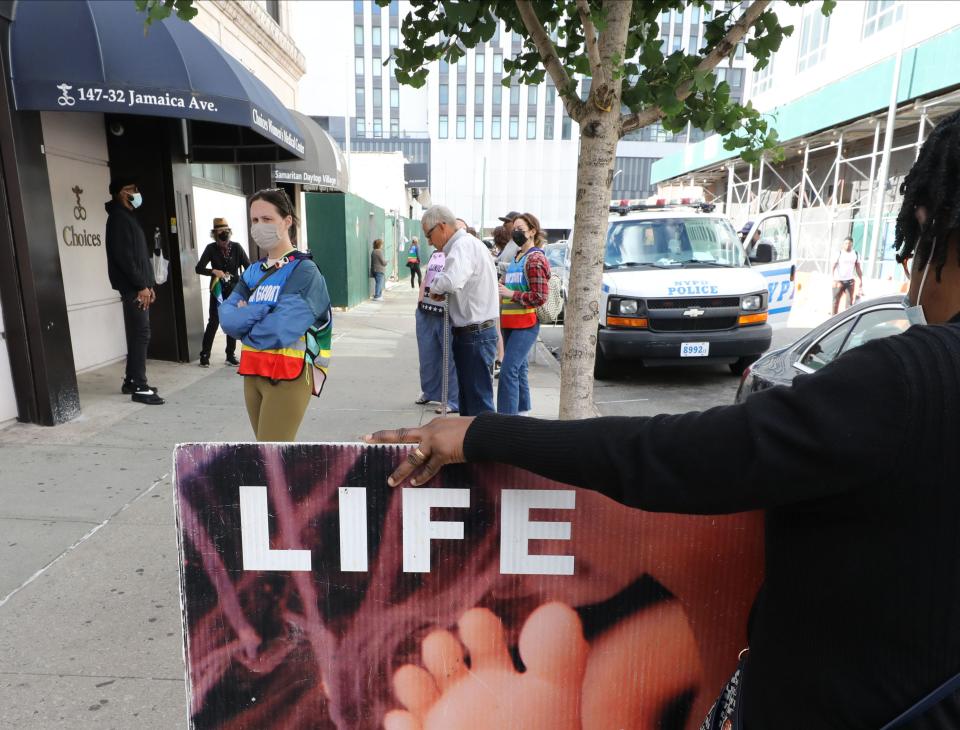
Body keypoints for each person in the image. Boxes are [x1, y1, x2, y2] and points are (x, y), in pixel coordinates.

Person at [368, 111, 960, 729]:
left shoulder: (914, 379)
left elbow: (683, 458)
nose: (914, 285)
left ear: (940, 227)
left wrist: (482, 431)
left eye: (915, 245)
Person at [219, 188, 332, 442]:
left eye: (267, 219)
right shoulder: (253, 271)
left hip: (288, 374)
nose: (259, 226)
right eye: (255, 221)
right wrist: (265, 309)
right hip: (253, 373)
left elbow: (279, 330)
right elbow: (227, 319)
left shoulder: (304, 271)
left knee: (272, 459)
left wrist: (248, 312)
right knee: (265, 455)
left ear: (287, 221)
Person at [421, 205, 499, 416]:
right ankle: (472, 445)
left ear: (442, 227)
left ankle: (484, 447)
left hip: (475, 335)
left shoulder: (462, 246)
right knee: (470, 400)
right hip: (474, 334)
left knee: (478, 403)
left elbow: (449, 280)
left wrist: (436, 287)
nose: (429, 241)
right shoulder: (469, 244)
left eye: (429, 235)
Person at [104, 175, 164, 405]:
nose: (137, 192)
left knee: (137, 333)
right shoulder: (119, 219)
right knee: (141, 333)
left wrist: (148, 284)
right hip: (133, 288)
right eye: (132, 188)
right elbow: (125, 258)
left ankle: (131, 380)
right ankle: (140, 385)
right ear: (121, 192)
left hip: (139, 287)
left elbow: (139, 257)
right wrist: (141, 286)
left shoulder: (128, 216)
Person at [497, 213, 550, 415]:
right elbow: (517, 284)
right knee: (519, 370)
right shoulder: (518, 256)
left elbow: (539, 296)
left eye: (521, 229)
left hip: (526, 323)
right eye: (514, 229)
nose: (516, 232)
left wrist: (512, 293)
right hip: (510, 322)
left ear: (533, 231)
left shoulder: (535, 259)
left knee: (508, 371)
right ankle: (522, 414)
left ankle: (506, 420)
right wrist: (505, 286)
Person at [195, 217, 250, 367]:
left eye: (225, 231)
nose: (223, 234)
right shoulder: (211, 248)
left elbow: (249, 268)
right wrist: (214, 271)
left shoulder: (237, 248)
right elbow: (198, 268)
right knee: (213, 321)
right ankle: (205, 355)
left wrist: (235, 278)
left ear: (229, 232)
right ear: (215, 233)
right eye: (220, 231)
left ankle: (230, 355)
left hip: (233, 290)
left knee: (231, 322)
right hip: (217, 290)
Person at [414, 242, 459, 414]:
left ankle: (452, 399)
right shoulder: (435, 254)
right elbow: (426, 278)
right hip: (426, 310)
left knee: (449, 358)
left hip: (446, 313)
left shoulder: (456, 254)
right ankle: (430, 391)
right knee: (428, 355)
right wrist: (419, 302)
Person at [832, 236, 864, 314]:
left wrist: (861, 280)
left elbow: (858, 268)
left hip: (850, 281)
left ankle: (846, 321)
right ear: (843, 244)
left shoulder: (855, 254)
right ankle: (833, 320)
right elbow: (833, 266)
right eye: (846, 243)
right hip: (838, 281)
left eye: (849, 244)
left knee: (849, 304)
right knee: (835, 302)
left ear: (852, 244)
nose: (847, 245)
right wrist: (833, 279)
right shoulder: (839, 253)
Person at [496, 211, 521, 276]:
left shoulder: (521, 243)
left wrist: (497, 264)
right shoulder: (511, 241)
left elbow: (519, 267)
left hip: (512, 284)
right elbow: (498, 260)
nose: (504, 225)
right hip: (504, 281)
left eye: (507, 222)